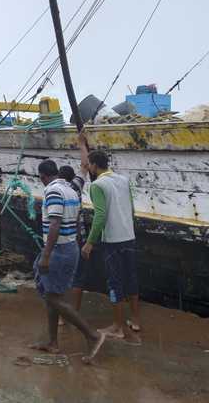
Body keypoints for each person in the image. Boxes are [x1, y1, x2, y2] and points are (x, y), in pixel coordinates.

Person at [30, 159, 105, 364]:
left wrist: (46, 255)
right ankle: (53, 342)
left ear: (43, 177)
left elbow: (55, 223)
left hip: (59, 250)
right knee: (51, 295)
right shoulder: (71, 189)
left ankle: (92, 335)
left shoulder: (53, 191)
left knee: (53, 298)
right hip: (70, 246)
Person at [81, 142, 141, 344]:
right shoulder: (123, 180)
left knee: (114, 282)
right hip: (129, 236)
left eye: (88, 164)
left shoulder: (97, 185)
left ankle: (117, 327)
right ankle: (135, 320)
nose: (87, 168)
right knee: (131, 277)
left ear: (95, 165)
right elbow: (131, 209)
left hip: (112, 240)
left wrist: (90, 242)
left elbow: (99, 216)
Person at [57, 164, 88, 326]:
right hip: (80, 238)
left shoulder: (57, 192)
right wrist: (83, 145)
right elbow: (84, 168)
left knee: (63, 278)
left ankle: (63, 316)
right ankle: (74, 314)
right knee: (78, 278)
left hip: (64, 240)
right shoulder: (76, 187)